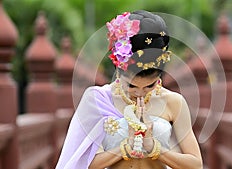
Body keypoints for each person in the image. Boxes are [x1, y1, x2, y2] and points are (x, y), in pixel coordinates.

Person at [56, 10, 203, 169]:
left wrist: (153, 148)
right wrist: (125, 147)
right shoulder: (98, 100)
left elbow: (195, 164)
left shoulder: (173, 102)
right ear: (118, 71)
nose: (139, 93)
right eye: (131, 86)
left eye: (150, 86)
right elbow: (82, 163)